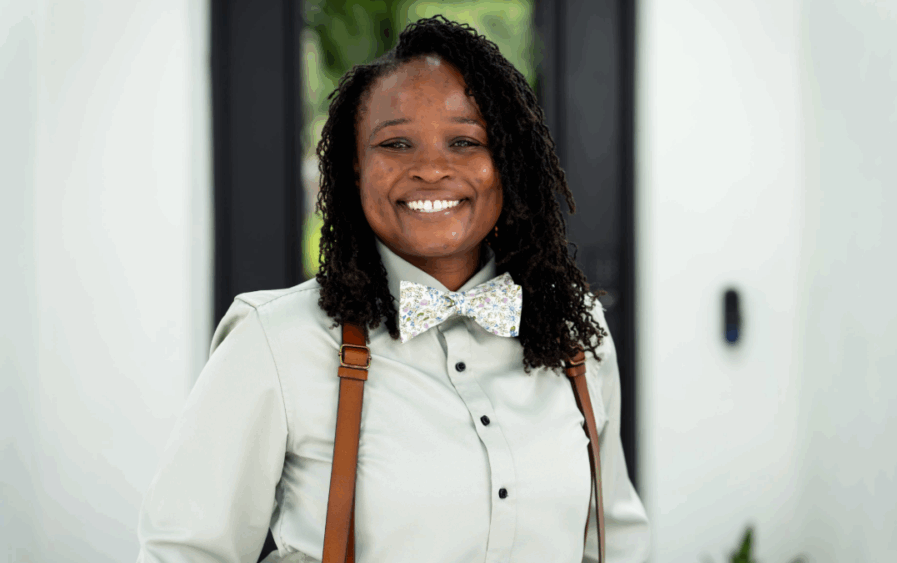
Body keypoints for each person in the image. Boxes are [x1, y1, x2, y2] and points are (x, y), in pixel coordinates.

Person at [136, 16, 650, 563]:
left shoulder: (574, 335)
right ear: (355, 169)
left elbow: (614, 544)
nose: (431, 168)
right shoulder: (275, 342)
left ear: (507, 165)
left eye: (465, 140)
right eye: (396, 143)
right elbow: (185, 552)